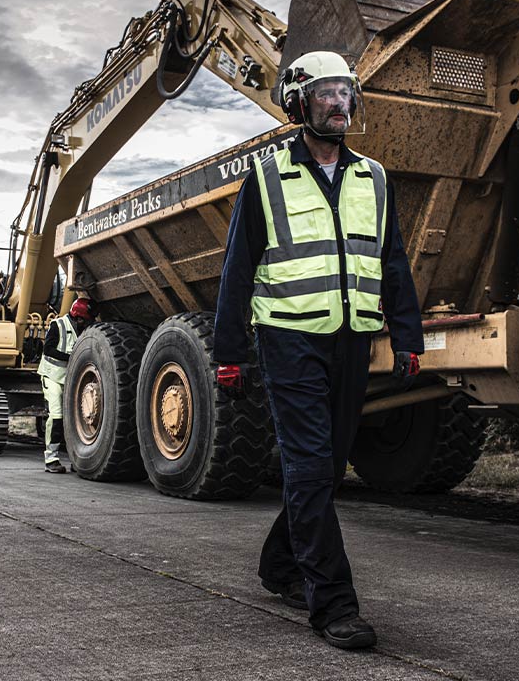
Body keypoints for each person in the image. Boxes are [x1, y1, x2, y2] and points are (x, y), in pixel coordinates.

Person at [212, 50, 423, 649]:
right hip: (287, 339)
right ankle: (333, 603)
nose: (339, 103)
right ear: (298, 101)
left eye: (345, 92)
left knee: (327, 470)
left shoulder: (372, 177)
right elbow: (238, 270)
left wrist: (406, 335)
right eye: (326, 92)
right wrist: (230, 353)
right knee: (307, 466)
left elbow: (393, 260)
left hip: (352, 339)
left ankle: (280, 565)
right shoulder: (267, 178)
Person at [36, 297, 95, 473]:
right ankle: (51, 459)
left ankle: (75, 459)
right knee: (56, 417)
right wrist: (72, 358)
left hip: (70, 380)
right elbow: (48, 350)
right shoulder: (57, 325)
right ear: (78, 317)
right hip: (52, 377)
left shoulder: (82, 328)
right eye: (85, 320)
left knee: (74, 420)